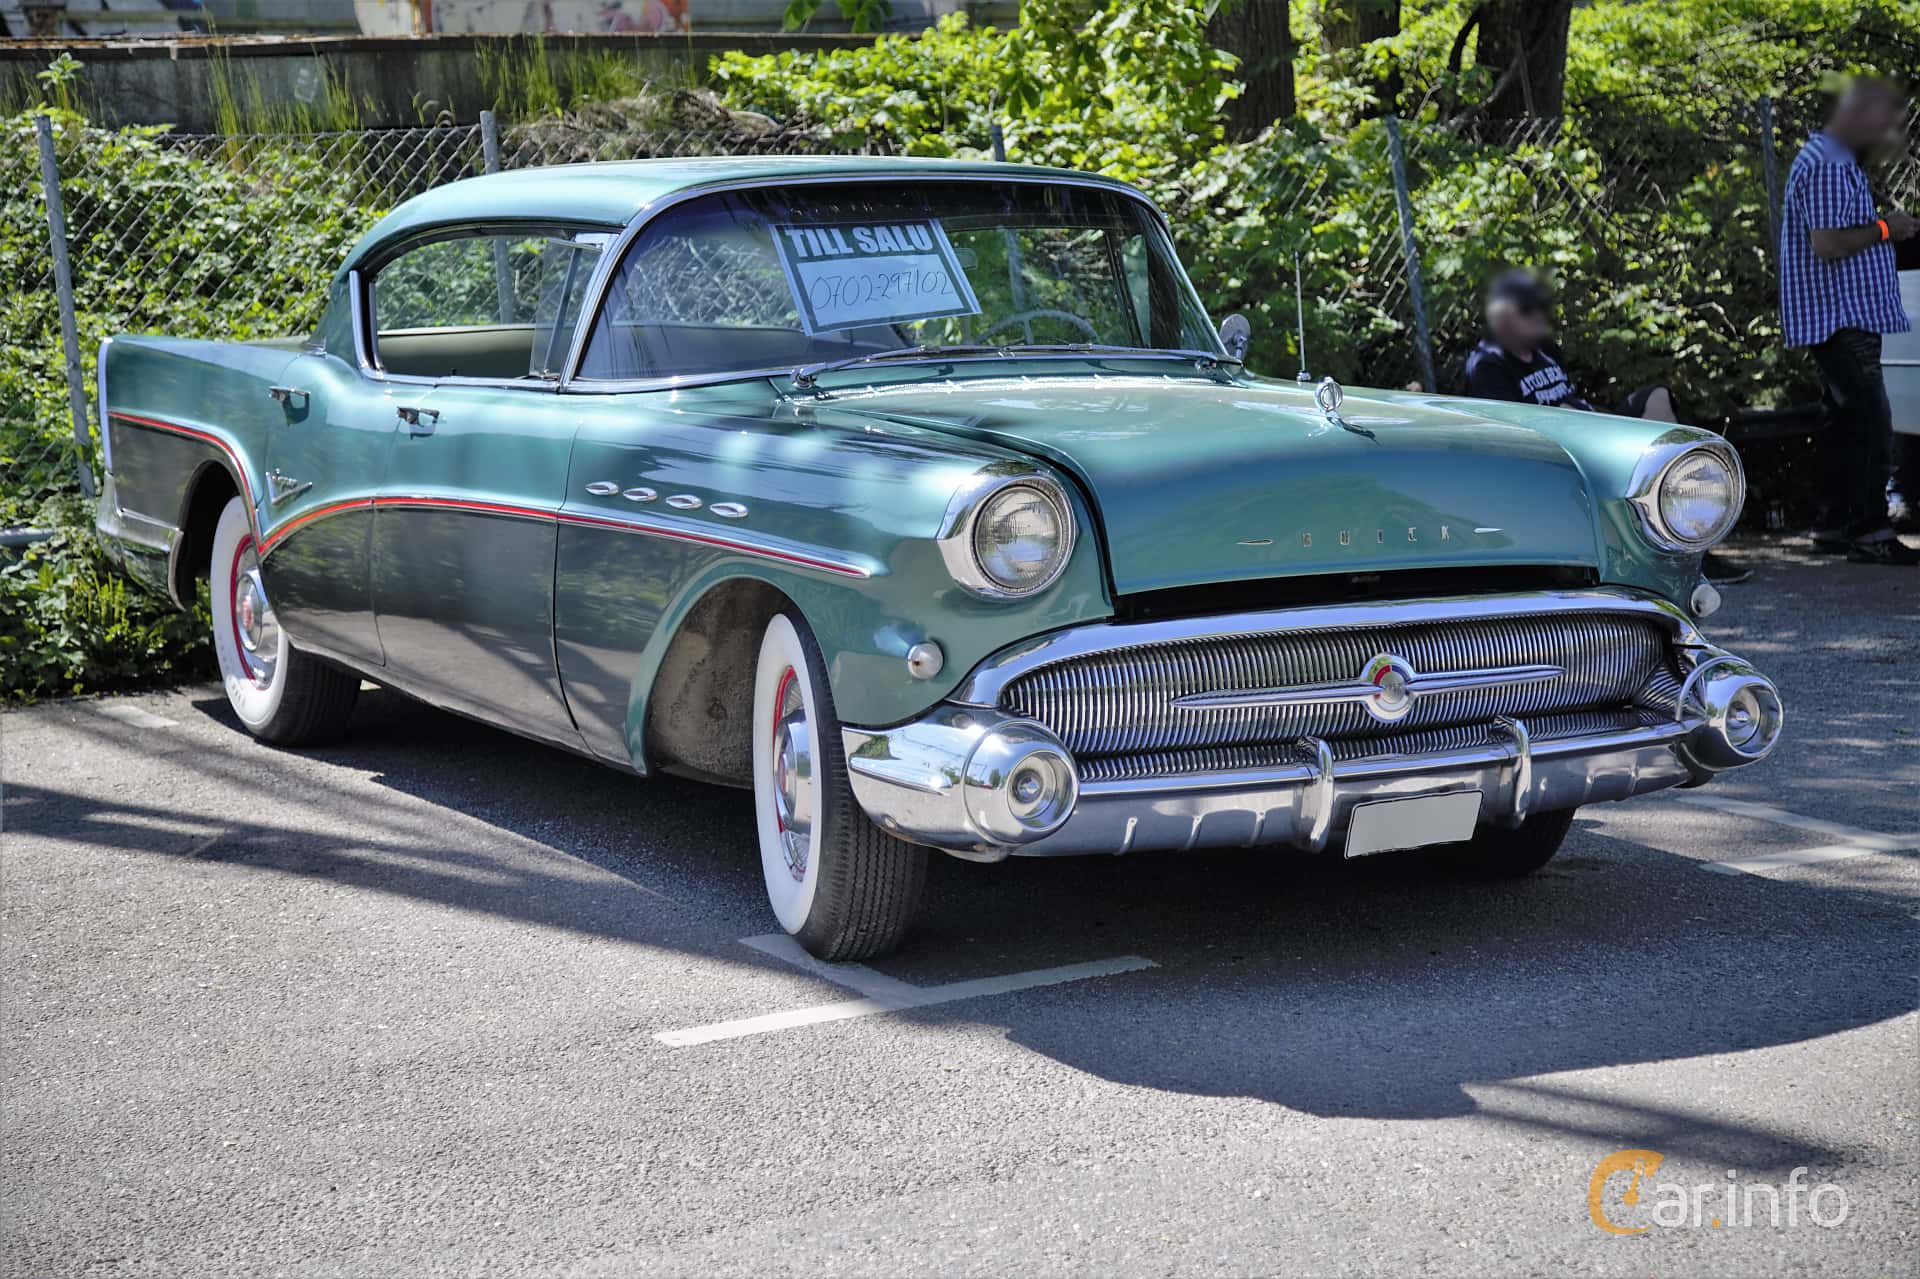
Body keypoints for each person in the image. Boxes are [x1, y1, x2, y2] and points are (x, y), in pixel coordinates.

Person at [1463, 269, 1750, 583]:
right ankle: (1669, 546)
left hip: (1590, 426)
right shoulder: (1488, 364)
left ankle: (1686, 536)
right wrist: (1561, 416)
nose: (1539, 316)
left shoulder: (1544, 349)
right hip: (1559, 453)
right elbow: (1506, 428)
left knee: (1657, 397)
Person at [1780, 76, 1920, 565]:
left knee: (1846, 423)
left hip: (1842, 313)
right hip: (1840, 314)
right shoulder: (1829, 162)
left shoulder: (1830, 159)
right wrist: (1887, 227)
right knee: (1870, 423)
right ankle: (1869, 531)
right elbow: (1828, 243)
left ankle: (1837, 524)